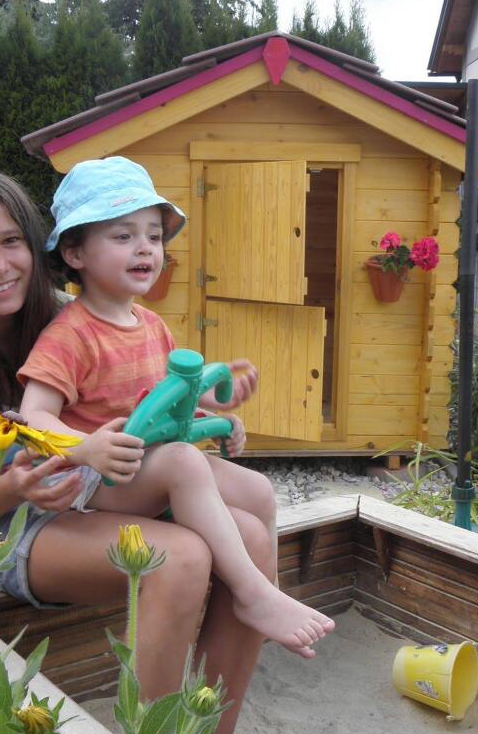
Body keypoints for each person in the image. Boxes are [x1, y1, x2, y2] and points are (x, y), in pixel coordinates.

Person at [0, 165, 279, 734]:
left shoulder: (78, 314)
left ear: (37, 246)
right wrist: (18, 486)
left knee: (252, 534)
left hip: (104, 489)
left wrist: (208, 407)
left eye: (11, 241)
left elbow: (142, 408)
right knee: (180, 558)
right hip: (18, 529)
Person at [17, 156, 335, 659]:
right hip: (96, 478)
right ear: (75, 252)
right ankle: (252, 594)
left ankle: (263, 592)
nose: (145, 247)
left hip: (149, 468)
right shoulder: (70, 334)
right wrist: (87, 448)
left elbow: (169, 391)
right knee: (185, 461)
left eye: (154, 236)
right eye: (123, 236)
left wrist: (218, 409)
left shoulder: (150, 324)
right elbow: (32, 415)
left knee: (256, 489)